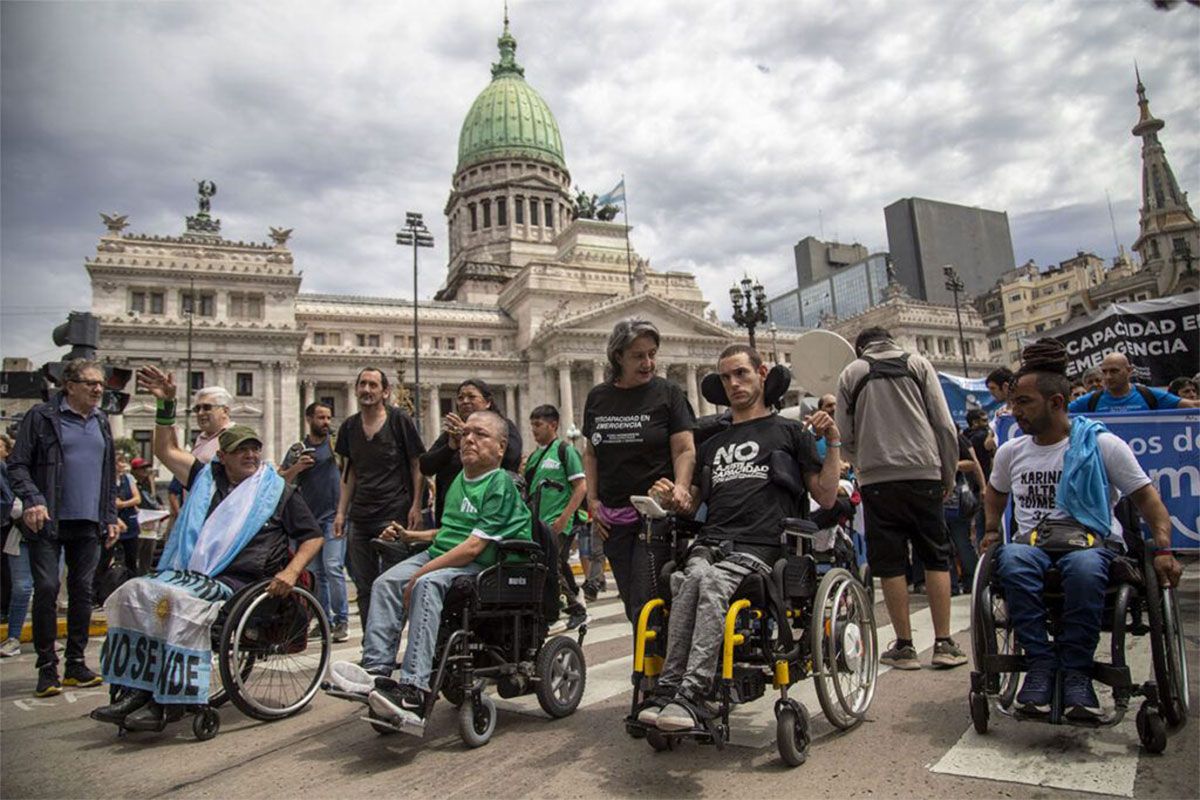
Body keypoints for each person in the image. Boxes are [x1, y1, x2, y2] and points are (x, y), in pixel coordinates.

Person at [91, 367, 324, 729]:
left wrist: (291, 572)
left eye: (254, 449)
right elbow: (166, 449)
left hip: (242, 581)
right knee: (135, 592)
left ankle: (166, 701)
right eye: (240, 450)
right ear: (222, 457)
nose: (250, 455)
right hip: (195, 574)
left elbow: (312, 536)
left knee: (177, 603)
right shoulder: (205, 479)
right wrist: (166, 404)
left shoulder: (276, 491)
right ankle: (136, 690)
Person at [634, 345, 840, 731]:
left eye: (741, 373)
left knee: (711, 580)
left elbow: (826, 496)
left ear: (762, 374)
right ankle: (669, 689)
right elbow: (691, 502)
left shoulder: (790, 432)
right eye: (726, 377)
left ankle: (694, 692)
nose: (734, 383)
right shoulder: (711, 444)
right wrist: (671, 496)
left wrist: (834, 444)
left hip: (763, 547)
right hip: (711, 543)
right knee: (687, 578)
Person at [982, 339, 1182, 719]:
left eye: (1024, 402)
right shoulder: (1011, 452)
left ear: (1056, 402)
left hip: (1092, 544)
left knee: (1085, 567)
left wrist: (1163, 549)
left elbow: (1148, 500)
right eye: (1013, 403)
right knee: (1012, 560)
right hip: (1032, 545)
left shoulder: (1103, 445)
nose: (1015, 411)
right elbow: (994, 493)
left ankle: (1076, 671)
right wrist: (992, 530)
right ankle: (1040, 665)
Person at [329, 410, 532, 734]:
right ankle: (377, 673)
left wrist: (419, 573)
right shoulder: (459, 481)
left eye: (480, 434)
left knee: (425, 584)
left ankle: (414, 689)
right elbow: (449, 533)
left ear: (500, 447)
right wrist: (411, 536)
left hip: (485, 565)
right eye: (466, 433)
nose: (468, 439)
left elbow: (473, 547)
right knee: (384, 583)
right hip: (446, 555)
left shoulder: (500, 483)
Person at [834, 327, 967, 670]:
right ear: (891, 341)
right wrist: (947, 473)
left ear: (860, 349)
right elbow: (944, 425)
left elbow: (843, 435)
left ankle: (905, 646)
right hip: (924, 473)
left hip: (878, 479)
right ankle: (944, 643)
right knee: (936, 556)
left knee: (890, 563)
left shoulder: (852, 372)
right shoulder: (918, 364)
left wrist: (864, 462)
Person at [7, 359, 120, 696]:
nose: (98, 389)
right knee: (46, 588)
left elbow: (108, 474)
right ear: (69, 385)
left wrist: (109, 515)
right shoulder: (42, 416)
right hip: (48, 520)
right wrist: (33, 499)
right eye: (90, 383)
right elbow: (17, 465)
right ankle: (47, 668)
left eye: (101, 384)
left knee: (82, 592)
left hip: (89, 521)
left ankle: (75, 664)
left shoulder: (101, 421)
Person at [583, 318, 696, 630]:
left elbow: (684, 449)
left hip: (655, 517)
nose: (648, 363)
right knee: (633, 602)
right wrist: (592, 500)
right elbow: (591, 453)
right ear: (618, 356)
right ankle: (657, 657)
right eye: (638, 356)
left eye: (652, 354)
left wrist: (681, 487)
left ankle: (651, 662)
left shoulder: (668, 393)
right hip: (613, 521)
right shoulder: (598, 397)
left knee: (646, 602)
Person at [334, 367, 426, 632]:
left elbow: (417, 464)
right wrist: (341, 512)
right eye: (362, 384)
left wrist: (416, 505)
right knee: (364, 584)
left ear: (385, 392)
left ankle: (388, 639)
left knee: (390, 582)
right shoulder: (349, 427)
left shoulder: (399, 421)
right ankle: (370, 642)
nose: (366, 390)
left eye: (373, 385)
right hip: (360, 515)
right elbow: (349, 472)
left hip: (394, 512)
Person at [281, 401, 349, 642]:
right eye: (321, 417)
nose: (326, 422)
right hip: (308, 520)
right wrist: (298, 467)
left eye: (329, 417)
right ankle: (323, 620)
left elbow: (350, 474)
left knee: (333, 567)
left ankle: (341, 620)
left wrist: (343, 511)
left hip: (334, 516)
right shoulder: (297, 450)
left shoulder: (336, 446)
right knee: (316, 573)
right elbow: (281, 478)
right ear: (309, 419)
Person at [420, 378, 522, 525]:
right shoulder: (451, 433)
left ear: (488, 402)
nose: (465, 401)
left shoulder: (503, 426)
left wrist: (466, 432)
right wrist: (450, 447)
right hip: (451, 513)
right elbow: (426, 466)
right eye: (460, 398)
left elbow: (511, 458)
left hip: (488, 510)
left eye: (471, 397)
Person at [525, 404, 588, 630]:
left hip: (559, 521)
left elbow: (580, 487)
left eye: (538, 424)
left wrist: (564, 518)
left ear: (553, 425)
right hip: (538, 522)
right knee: (555, 563)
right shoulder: (534, 456)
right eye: (532, 425)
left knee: (550, 565)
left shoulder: (565, 451)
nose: (534, 430)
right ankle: (569, 598)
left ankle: (574, 608)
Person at [1069, 352, 1200, 413]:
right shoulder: (1091, 400)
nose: (1108, 377)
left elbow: (1192, 405)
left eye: (1114, 371)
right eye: (1104, 372)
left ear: (1129, 371)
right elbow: (1061, 414)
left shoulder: (1148, 395)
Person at [1, 433, 32, 659]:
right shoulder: (14, 472)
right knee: (22, 588)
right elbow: (12, 504)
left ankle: (46, 637)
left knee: (47, 589)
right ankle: (13, 637)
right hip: (21, 536)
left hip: (50, 538)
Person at [129, 457, 164, 575]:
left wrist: (151, 481)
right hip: (138, 521)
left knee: (148, 553)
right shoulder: (131, 483)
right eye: (142, 468)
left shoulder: (148, 484)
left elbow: (153, 500)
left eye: (147, 467)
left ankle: (144, 574)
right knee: (136, 552)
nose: (146, 470)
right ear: (135, 470)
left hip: (150, 522)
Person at [189, 386, 235, 463]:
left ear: (225, 411)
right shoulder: (201, 437)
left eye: (207, 407)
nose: (200, 413)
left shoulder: (234, 435)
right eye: (197, 409)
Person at [982, 367, 1014, 454]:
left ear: (1005, 387)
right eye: (989, 389)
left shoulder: (1025, 409)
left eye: (993, 388)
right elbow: (987, 445)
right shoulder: (1000, 413)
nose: (991, 393)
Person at [811, 393, 838, 461]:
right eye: (829, 405)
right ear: (820, 410)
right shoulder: (815, 433)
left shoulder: (845, 430)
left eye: (836, 405)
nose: (834, 408)